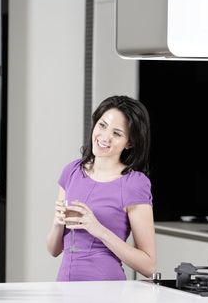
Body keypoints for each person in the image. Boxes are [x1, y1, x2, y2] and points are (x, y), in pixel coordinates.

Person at [46, 95, 156, 281]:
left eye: (117, 133)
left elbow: (149, 266)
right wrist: (58, 224)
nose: (105, 137)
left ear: (129, 142)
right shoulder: (71, 171)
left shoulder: (134, 183)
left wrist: (98, 229)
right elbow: (54, 250)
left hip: (107, 293)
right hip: (64, 288)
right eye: (102, 125)